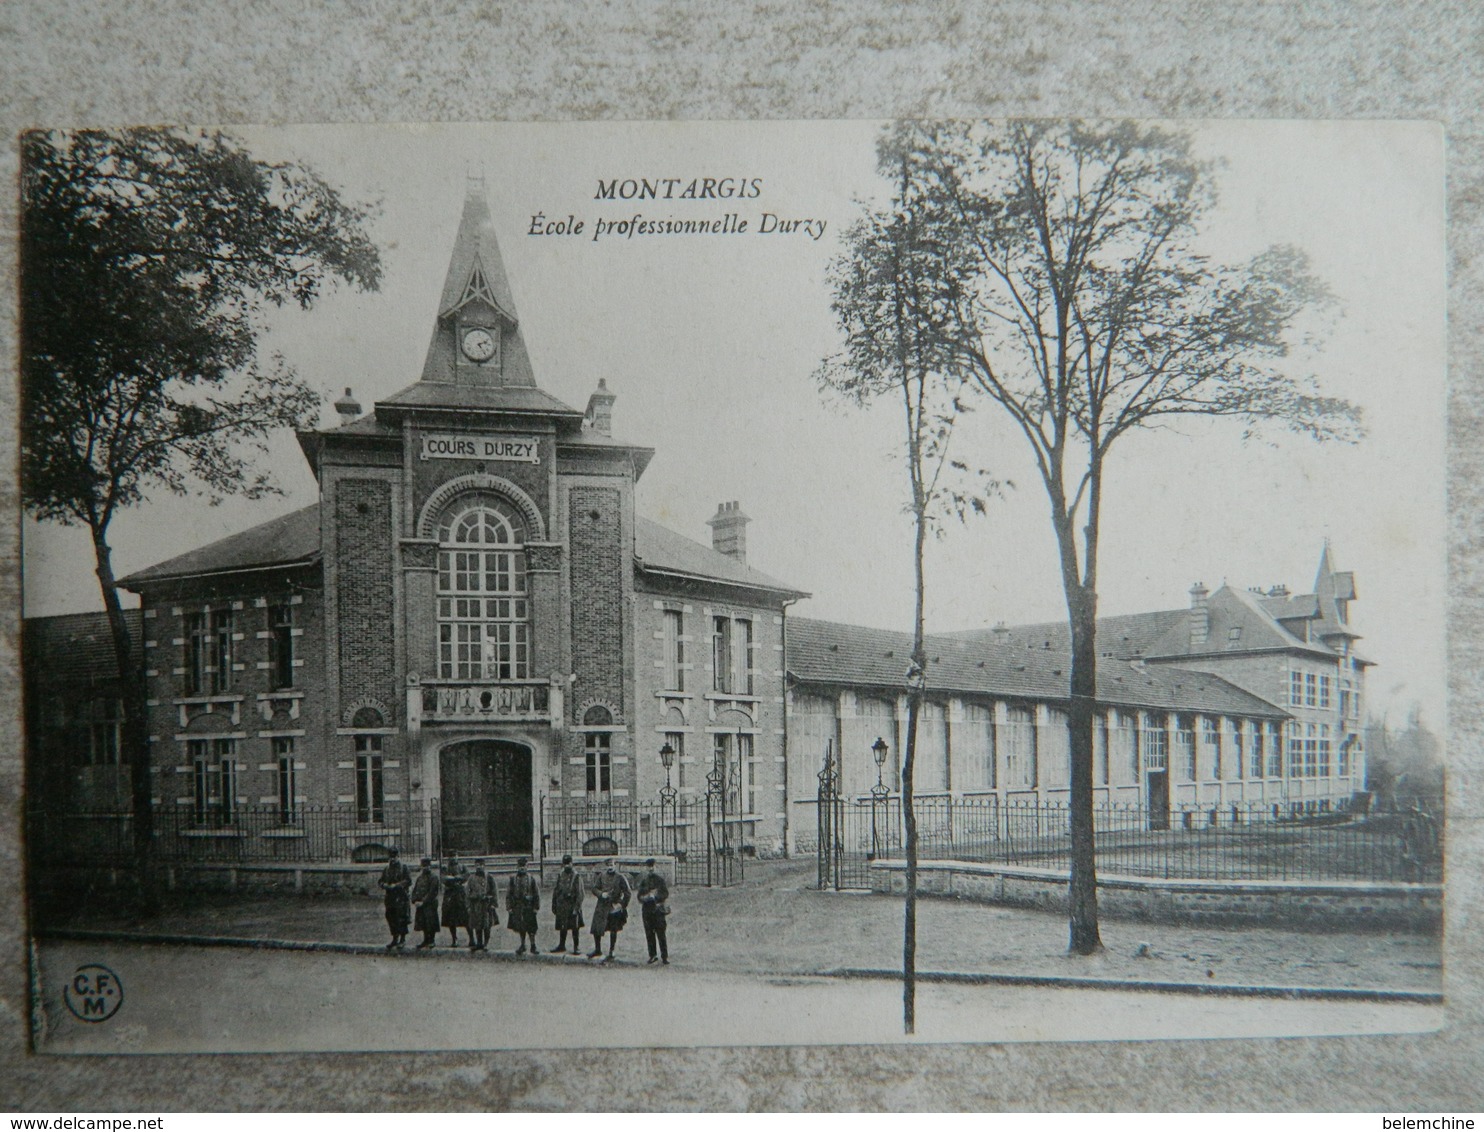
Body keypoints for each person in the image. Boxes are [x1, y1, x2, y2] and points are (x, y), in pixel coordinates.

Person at [587, 858, 631, 961]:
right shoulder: (601, 876)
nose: (610, 867)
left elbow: (628, 893)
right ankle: (597, 950)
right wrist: (601, 894)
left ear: (615, 865)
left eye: (612, 865)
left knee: (613, 929)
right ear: (606, 866)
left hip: (613, 907)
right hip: (602, 905)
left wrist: (621, 905)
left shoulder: (620, 877)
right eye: (608, 865)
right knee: (596, 928)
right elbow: (594, 889)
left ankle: (612, 951)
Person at [637, 857, 670, 965]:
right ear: (646, 868)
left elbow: (665, 894)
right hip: (647, 910)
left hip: (658, 910)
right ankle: (652, 955)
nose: (651, 869)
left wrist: (655, 896)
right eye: (649, 867)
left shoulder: (660, 880)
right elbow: (639, 896)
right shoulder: (644, 881)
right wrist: (645, 898)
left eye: (652, 866)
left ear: (656, 867)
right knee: (649, 934)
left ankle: (664, 956)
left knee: (661, 934)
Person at [377, 847, 412, 950]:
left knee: (402, 917)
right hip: (390, 897)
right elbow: (380, 881)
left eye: (394, 857)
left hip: (401, 897)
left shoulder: (403, 868)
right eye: (391, 857)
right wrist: (385, 885)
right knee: (391, 917)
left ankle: (402, 939)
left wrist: (397, 885)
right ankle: (395, 938)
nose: (392, 859)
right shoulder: (387, 869)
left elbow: (408, 880)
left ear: (398, 857)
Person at [506, 856, 541, 954]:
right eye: (520, 866)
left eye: (524, 866)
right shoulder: (513, 879)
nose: (522, 868)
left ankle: (533, 945)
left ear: (527, 867)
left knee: (531, 927)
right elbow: (509, 894)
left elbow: (536, 894)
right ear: (517, 867)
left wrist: (536, 907)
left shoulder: (531, 879)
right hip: (518, 906)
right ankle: (522, 945)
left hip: (529, 906)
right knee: (521, 927)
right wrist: (509, 907)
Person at [550, 853, 585, 953]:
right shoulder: (561, 875)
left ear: (572, 864)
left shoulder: (576, 876)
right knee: (562, 926)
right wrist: (554, 904)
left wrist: (576, 908)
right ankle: (561, 945)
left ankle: (576, 947)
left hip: (572, 905)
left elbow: (580, 894)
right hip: (562, 905)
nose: (566, 866)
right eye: (564, 864)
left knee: (575, 927)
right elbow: (556, 890)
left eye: (568, 864)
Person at [465, 858, 495, 952]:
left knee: (486, 925)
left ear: (484, 866)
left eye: (481, 865)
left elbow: (494, 891)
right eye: (477, 865)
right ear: (475, 866)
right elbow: (467, 892)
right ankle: (479, 943)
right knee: (477, 924)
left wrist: (493, 903)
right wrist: (468, 906)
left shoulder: (489, 877)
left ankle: (486, 943)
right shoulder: (471, 878)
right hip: (475, 904)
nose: (479, 867)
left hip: (486, 904)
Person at [410, 857, 440, 949]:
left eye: (427, 866)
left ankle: (432, 940)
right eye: (423, 866)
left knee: (430, 922)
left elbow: (432, 892)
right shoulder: (420, 878)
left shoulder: (434, 877)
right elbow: (415, 890)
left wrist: (423, 901)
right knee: (423, 922)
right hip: (420, 904)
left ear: (430, 867)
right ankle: (425, 940)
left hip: (430, 904)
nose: (425, 868)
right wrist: (414, 900)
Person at [441, 857, 469, 947]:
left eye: (455, 856)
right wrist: (451, 879)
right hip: (450, 894)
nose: (453, 858)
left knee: (466, 917)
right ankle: (454, 938)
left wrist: (458, 877)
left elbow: (467, 875)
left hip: (460, 894)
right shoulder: (445, 868)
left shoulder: (462, 866)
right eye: (451, 856)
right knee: (451, 919)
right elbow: (443, 878)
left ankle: (472, 938)